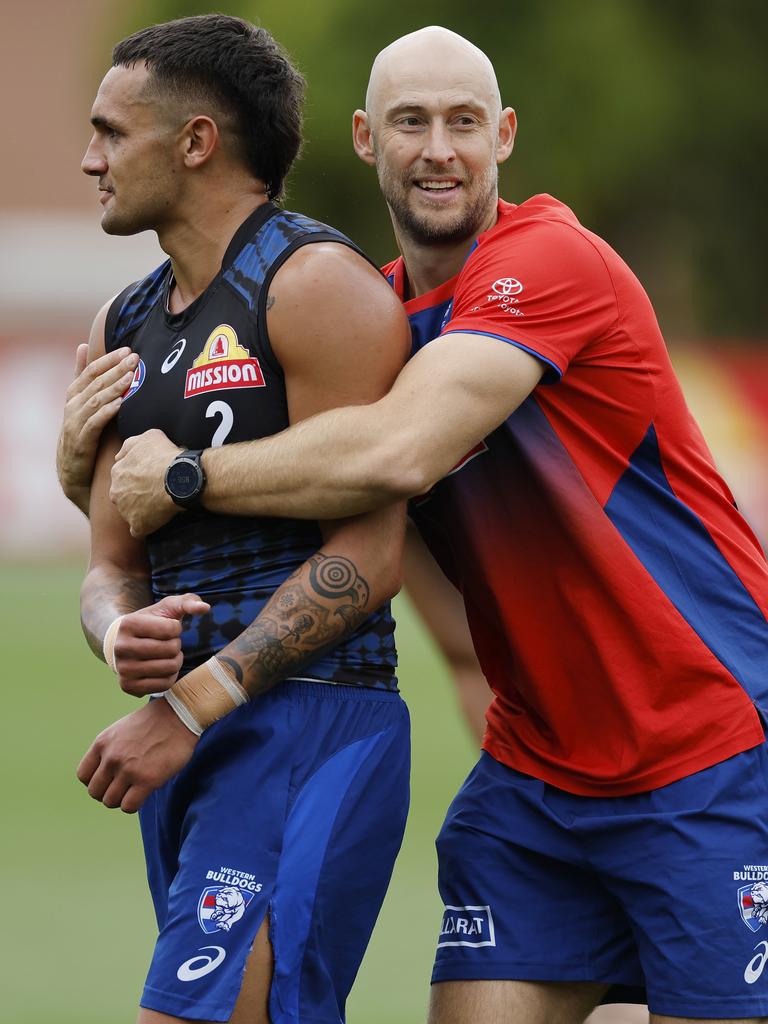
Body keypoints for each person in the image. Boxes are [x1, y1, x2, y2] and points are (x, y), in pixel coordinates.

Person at [58, 22, 768, 1024]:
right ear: (364, 139)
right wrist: (79, 471)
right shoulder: (378, 314)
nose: (440, 146)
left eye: (464, 122)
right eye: (411, 121)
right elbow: (349, 515)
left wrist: (179, 472)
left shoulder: (548, 260)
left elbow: (397, 454)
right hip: (537, 780)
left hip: (706, 741)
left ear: (505, 137)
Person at [71, 14, 414, 1024]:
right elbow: (106, 562)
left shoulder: (314, 289)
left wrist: (186, 707)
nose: (89, 160)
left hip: (312, 715)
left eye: (110, 132)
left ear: (194, 142)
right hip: (182, 731)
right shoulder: (118, 325)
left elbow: (373, 555)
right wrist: (117, 632)